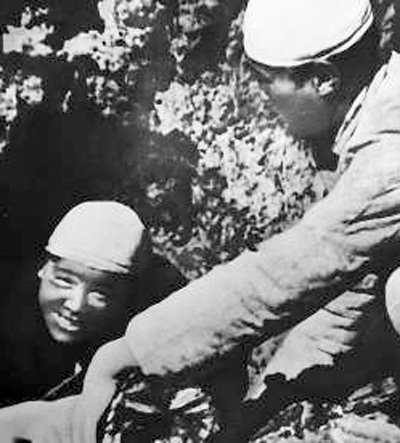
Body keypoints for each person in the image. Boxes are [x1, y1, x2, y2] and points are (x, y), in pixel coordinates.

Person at [9, 0, 400, 441]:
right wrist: (263, 408)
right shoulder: (372, 117)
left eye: (266, 80)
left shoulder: (391, 156)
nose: (261, 95)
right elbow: (349, 288)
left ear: (324, 79)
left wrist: (131, 350)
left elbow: (287, 272)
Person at [0, 200, 186, 407]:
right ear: (43, 269)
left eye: (100, 294)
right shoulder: (11, 312)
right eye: (64, 281)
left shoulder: (143, 333)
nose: (76, 306)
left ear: (126, 298)